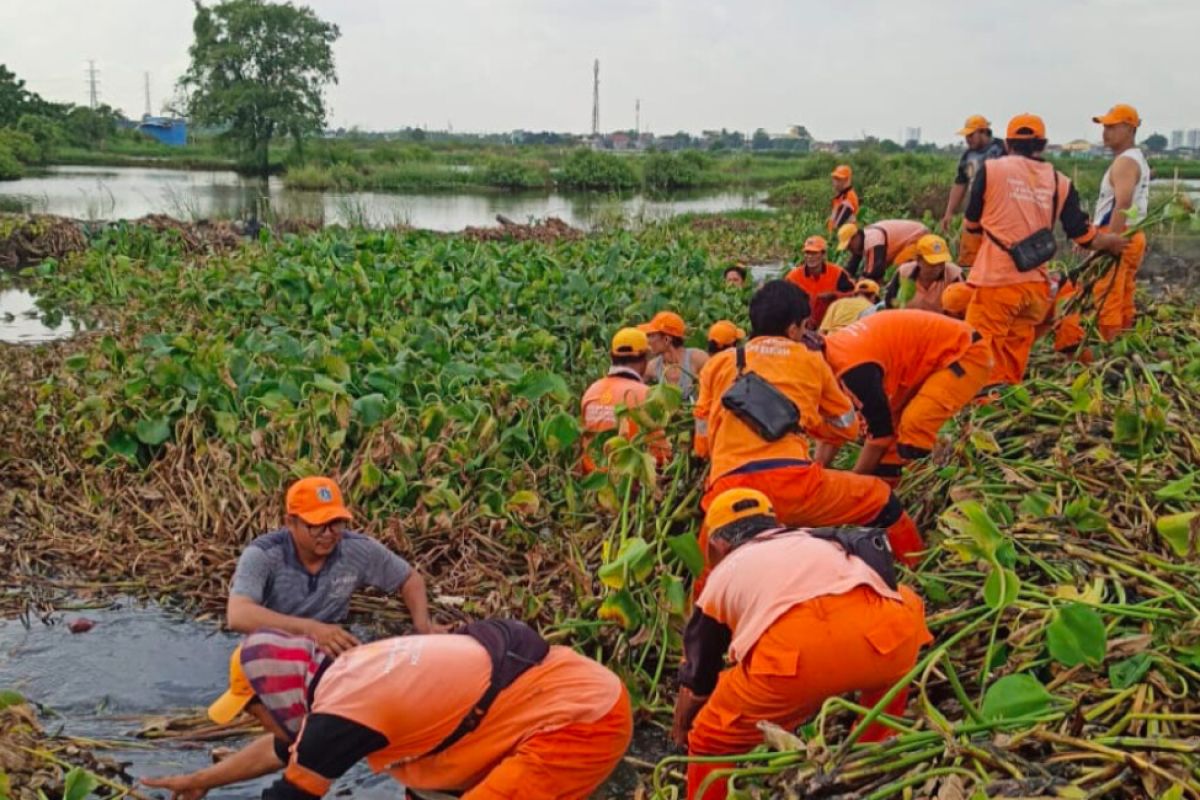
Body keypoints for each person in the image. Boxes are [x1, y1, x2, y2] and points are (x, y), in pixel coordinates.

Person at [143, 622, 632, 800]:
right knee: (419, 783)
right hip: (534, 703)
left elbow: (288, 795)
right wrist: (201, 781)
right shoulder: (344, 677)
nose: (258, 721)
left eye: (254, 711)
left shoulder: (340, 715)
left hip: (579, 717)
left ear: (274, 694)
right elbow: (281, 750)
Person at [673, 489, 932, 800]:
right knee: (901, 609)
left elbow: (700, 679)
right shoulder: (819, 540)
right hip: (885, 641)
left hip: (794, 664)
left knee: (709, 740)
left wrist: (684, 727)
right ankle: (872, 747)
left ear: (717, 546)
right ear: (775, 524)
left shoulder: (721, 578)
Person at [693, 279, 924, 579]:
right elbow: (847, 427)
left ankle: (699, 614)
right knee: (880, 499)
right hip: (794, 484)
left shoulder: (720, 363)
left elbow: (702, 437)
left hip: (727, 488)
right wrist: (810, 424)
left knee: (707, 572)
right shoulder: (811, 361)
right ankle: (916, 572)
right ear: (793, 329)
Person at [959, 113, 1127, 386]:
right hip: (1034, 286)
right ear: (1043, 145)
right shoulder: (1060, 181)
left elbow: (972, 223)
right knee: (1014, 348)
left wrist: (968, 262)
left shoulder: (991, 170)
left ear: (1009, 143)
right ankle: (1002, 397)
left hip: (996, 283)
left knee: (980, 345)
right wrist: (1112, 242)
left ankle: (982, 399)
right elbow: (1082, 235)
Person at [227, 477, 444, 656]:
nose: (329, 534)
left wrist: (422, 625)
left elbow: (409, 578)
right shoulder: (262, 555)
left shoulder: (356, 549)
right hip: (274, 646)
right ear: (291, 523)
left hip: (331, 646)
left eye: (336, 523)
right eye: (317, 526)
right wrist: (312, 630)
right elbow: (238, 615)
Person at [819, 310, 993, 484]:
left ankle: (926, 484)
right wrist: (816, 473)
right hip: (919, 365)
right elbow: (835, 428)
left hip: (963, 353)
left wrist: (852, 483)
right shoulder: (826, 356)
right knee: (887, 464)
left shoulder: (854, 372)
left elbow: (880, 436)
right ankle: (897, 486)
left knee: (915, 425)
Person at [1058, 105, 1151, 344]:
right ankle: (1124, 339)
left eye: (1111, 127)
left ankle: (1109, 344)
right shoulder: (1135, 159)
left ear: (1130, 129)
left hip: (1119, 234)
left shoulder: (1124, 163)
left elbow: (1122, 203)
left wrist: (1109, 239)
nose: (1105, 132)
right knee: (1123, 292)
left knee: (1107, 294)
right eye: (1104, 126)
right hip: (1132, 234)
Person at [580, 327, 670, 472]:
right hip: (628, 485)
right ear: (644, 359)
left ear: (611, 356)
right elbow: (661, 453)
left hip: (592, 481)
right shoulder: (646, 395)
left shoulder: (591, 391)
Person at [940, 115, 1007, 237]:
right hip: (975, 211)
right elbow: (961, 183)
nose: (967, 139)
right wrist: (949, 212)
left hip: (999, 211)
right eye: (966, 136)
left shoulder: (1002, 149)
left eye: (971, 135)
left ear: (983, 132)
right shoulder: (968, 156)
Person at [785, 235, 854, 327]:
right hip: (802, 327)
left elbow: (853, 295)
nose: (810, 257)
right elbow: (784, 302)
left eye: (814, 253)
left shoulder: (837, 273)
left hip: (831, 325)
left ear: (823, 254)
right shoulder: (793, 277)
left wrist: (835, 296)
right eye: (807, 253)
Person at [885, 234, 965, 312]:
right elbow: (890, 304)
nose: (938, 268)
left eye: (941, 263)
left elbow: (962, 310)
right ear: (919, 260)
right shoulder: (904, 273)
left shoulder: (954, 275)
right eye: (932, 264)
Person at [642, 311, 709, 402]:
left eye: (652, 336)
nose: (648, 341)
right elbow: (634, 385)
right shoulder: (652, 366)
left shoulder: (697, 358)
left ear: (667, 339)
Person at [838, 219, 930, 282]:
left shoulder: (873, 239)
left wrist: (858, 280)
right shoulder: (862, 240)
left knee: (897, 271)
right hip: (905, 241)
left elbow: (875, 271)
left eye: (849, 245)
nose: (849, 249)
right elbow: (853, 265)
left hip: (917, 237)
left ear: (856, 236)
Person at [828, 164, 860, 232]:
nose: (835, 182)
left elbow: (836, 226)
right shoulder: (841, 196)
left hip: (845, 238)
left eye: (838, 179)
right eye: (834, 178)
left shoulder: (848, 198)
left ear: (846, 180)